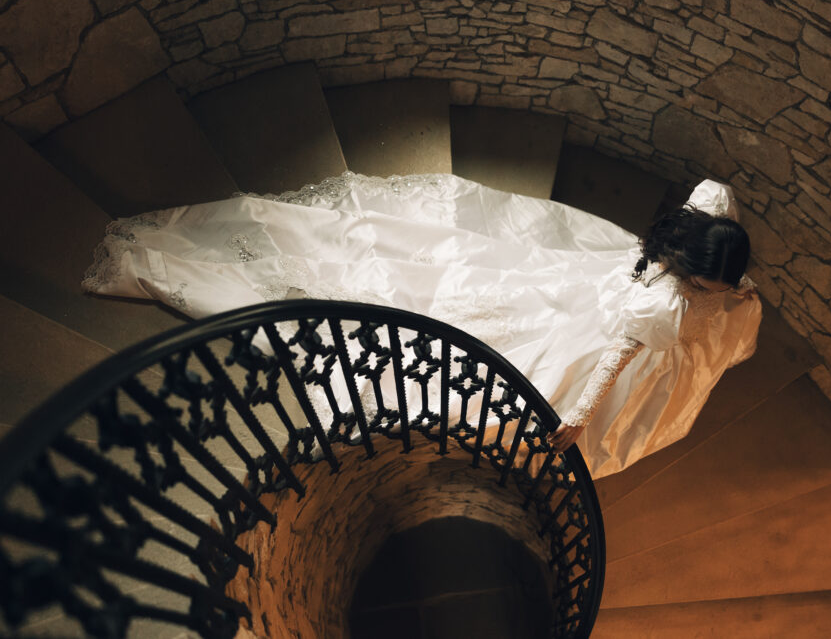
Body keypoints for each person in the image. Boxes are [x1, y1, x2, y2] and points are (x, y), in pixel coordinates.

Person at [83, 172, 761, 479]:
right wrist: (578, 420)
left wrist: (728, 287)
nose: (716, 292)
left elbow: (714, 189)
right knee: (511, 346)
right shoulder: (663, 307)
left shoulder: (707, 221)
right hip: (611, 328)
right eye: (709, 283)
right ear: (687, 268)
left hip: (598, 292)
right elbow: (613, 359)